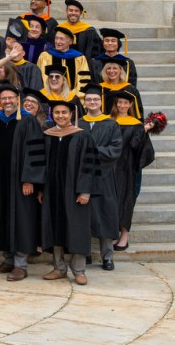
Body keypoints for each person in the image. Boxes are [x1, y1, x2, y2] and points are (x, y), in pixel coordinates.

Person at [0, 83, 46, 282]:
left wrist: (29, 179)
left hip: (20, 182)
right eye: (4, 98)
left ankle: (21, 265)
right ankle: (8, 259)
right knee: (1, 218)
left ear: (18, 100)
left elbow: (35, 152)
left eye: (11, 98)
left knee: (20, 220)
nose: (7, 101)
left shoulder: (28, 121)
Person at [39, 98, 98, 285]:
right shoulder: (48, 135)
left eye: (64, 112)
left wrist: (85, 191)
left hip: (75, 192)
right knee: (55, 227)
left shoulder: (82, 135)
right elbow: (41, 165)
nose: (60, 116)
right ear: (52, 115)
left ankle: (79, 270)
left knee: (77, 228)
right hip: (53, 191)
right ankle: (59, 268)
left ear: (71, 114)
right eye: (57, 113)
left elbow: (89, 165)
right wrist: (41, 189)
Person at [77, 83, 122, 271]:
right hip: (84, 177)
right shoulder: (79, 123)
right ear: (85, 102)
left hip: (104, 176)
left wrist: (93, 152)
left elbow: (115, 149)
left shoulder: (111, 123)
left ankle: (107, 257)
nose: (92, 102)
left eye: (95, 99)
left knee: (105, 215)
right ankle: (84, 253)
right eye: (89, 99)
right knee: (84, 216)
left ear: (101, 102)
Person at [110, 89, 155, 252]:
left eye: (125, 103)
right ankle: (113, 233)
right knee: (111, 199)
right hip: (110, 167)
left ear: (130, 105)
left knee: (126, 200)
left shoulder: (136, 124)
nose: (122, 105)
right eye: (119, 102)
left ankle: (124, 236)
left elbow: (136, 147)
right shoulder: (109, 121)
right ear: (116, 104)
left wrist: (143, 131)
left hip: (127, 168)